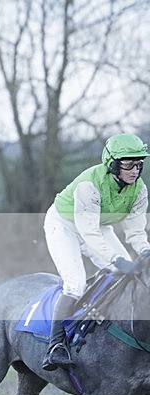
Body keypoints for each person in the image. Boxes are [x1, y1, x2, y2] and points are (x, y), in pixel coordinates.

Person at [42, 133, 150, 371]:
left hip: (98, 226)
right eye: (128, 163)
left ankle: (99, 323)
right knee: (75, 284)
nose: (135, 169)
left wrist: (145, 252)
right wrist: (117, 259)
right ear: (112, 163)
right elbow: (89, 234)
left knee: (126, 274)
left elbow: (135, 231)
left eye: (139, 164)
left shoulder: (139, 190)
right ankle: (55, 346)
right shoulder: (89, 184)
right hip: (65, 226)